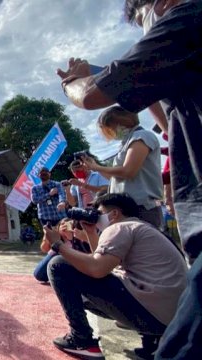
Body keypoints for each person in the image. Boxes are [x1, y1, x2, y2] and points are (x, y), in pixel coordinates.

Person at [57, 2, 202, 356]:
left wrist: (74, 82)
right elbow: (164, 114)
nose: (144, 29)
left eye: (140, 20)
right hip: (129, 208)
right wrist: (88, 186)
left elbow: (125, 172)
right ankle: (154, 340)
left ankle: (154, 335)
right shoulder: (178, 86)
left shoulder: (141, 138)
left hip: (137, 210)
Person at [45, 193, 187, 359]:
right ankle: (152, 343)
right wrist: (91, 233)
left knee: (59, 265)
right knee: (119, 276)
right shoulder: (141, 227)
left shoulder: (119, 227)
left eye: (99, 212)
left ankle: (81, 340)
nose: (95, 216)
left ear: (114, 214)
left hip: (150, 315)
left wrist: (58, 245)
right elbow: (101, 262)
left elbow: (96, 269)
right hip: (170, 319)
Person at [81, 106, 163, 229]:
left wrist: (98, 167)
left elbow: (128, 171)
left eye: (110, 127)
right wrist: (95, 167)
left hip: (141, 208)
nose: (111, 132)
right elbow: (114, 177)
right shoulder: (127, 142)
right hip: (125, 208)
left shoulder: (141, 136)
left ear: (122, 121)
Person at [32, 218, 91, 283]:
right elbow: (44, 249)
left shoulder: (78, 237)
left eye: (68, 224)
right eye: (62, 224)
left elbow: (82, 255)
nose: (64, 226)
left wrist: (71, 238)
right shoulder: (54, 236)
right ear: (58, 227)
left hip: (74, 266)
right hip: (54, 262)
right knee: (38, 274)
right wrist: (47, 238)